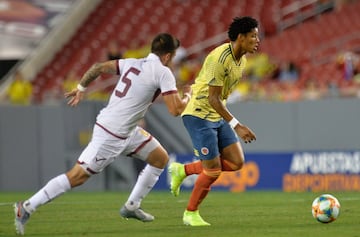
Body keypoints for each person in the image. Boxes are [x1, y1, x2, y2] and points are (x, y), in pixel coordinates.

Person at [14, 33, 192, 235]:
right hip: (111, 134)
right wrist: (188, 95)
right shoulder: (163, 72)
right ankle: (26, 207)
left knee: (160, 158)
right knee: (77, 176)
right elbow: (176, 110)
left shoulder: (131, 62)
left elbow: (98, 67)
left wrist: (81, 87)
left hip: (127, 130)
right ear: (168, 56)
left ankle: (132, 206)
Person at [168, 16, 259, 226]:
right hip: (199, 114)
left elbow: (219, 99)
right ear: (240, 37)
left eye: (257, 35)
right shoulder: (220, 58)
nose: (257, 40)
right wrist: (238, 125)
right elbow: (212, 98)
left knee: (237, 162)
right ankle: (190, 214)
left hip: (216, 114)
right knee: (212, 170)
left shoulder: (242, 60)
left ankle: (183, 170)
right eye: (253, 36)